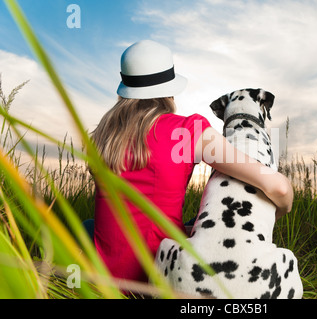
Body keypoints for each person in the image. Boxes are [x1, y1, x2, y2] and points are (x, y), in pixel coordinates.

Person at [90, 40, 294, 283]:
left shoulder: (102, 136)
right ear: (169, 89)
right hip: (159, 272)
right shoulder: (187, 131)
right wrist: (281, 209)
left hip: (104, 274)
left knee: (87, 224)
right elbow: (277, 187)